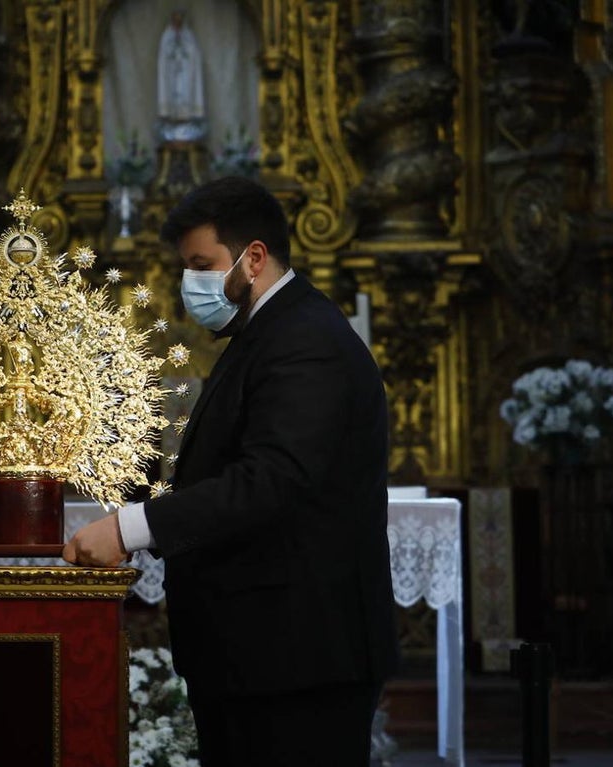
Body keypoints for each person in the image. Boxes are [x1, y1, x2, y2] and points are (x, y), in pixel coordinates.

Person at [64, 177, 399, 765]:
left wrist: (129, 529)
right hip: (260, 654)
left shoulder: (304, 341)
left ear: (255, 257)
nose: (190, 284)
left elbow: (271, 479)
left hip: (296, 659)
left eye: (201, 265)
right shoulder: (264, 334)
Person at [157, 10, 204, 122]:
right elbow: (163, 56)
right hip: (171, 72)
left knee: (185, 91)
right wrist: (173, 46)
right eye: (175, 21)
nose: (177, 24)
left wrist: (184, 47)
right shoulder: (167, 36)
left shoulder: (189, 35)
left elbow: (194, 54)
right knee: (171, 91)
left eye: (179, 21)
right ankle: (170, 114)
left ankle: (186, 116)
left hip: (185, 71)